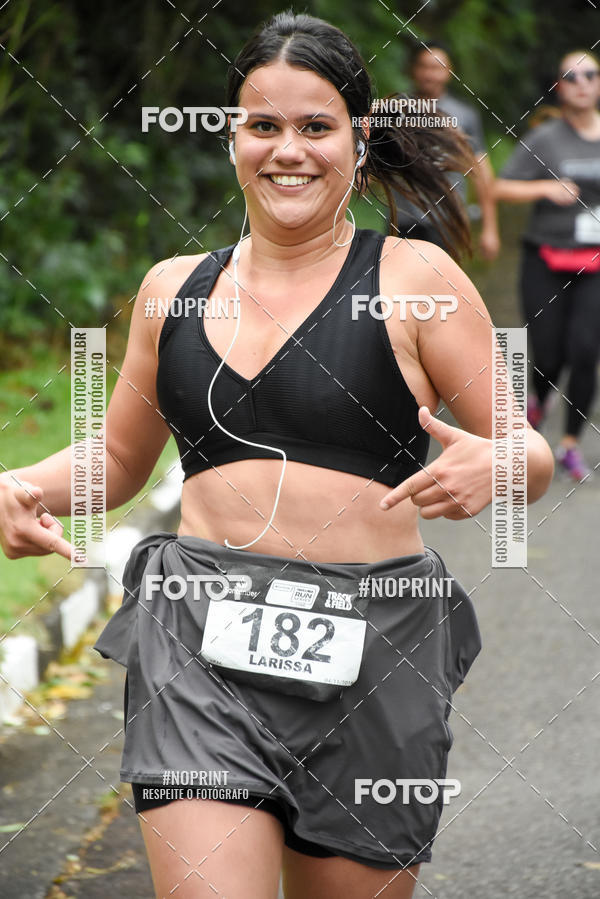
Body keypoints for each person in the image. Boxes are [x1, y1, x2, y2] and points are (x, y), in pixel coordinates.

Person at [0, 12, 554, 899]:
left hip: (376, 652)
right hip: (197, 648)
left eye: (315, 126)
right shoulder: (169, 291)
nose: (287, 150)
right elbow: (117, 457)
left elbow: (523, 447)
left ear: (359, 139)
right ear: (230, 139)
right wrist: (18, 483)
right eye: (263, 125)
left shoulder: (416, 279)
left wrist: (500, 463)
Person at [495, 50, 600, 482]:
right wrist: (544, 187)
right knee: (549, 352)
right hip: (545, 256)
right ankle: (541, 396)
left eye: (590, 74)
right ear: (559, 87)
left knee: (585, 350)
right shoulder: (545, 138)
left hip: (595, 262)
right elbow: (499, 187)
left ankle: (571, 444)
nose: (582, 82)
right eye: (571, 76)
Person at [391, 41, 500, 261]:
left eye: (437, 67)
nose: (430, 74)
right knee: (398, 290)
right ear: (414, 70)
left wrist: (490, 228)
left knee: (442, 289)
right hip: (402, 220)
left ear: (449, 72)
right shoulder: (395, 110)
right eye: (424, 67)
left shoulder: (464, 116)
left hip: (446, 220)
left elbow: (481, 172)